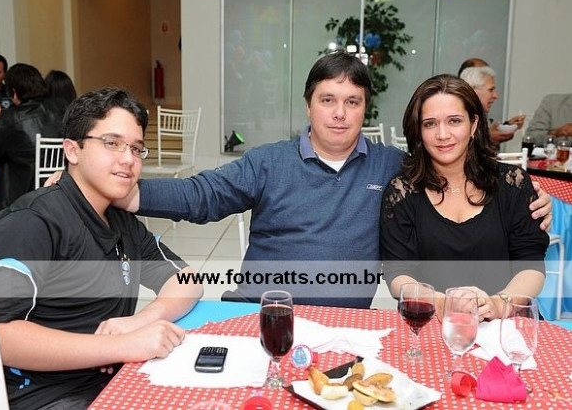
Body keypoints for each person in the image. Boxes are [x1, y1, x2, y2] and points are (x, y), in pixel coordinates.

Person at [109, 52, 552, 309]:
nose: (340, 113)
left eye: (352, 102)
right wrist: (124, 191)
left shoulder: (395, 168)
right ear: (308, 106)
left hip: (347, 328)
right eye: (328, 100)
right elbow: (200, 195)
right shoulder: (268, 162)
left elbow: (457, 174)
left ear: (365, 109)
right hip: (260, 312)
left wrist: (535, 199)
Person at [0, 87, 203, 409]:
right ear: (72, 150)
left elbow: (188, 281)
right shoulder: (33, 221)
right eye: (112, 143)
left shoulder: (121, 221)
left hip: (112, 380)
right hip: (44, 396)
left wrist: (140, 321)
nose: (128, 159)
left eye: (136, 148)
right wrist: (122, 346)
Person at [380, 74, 549, 321]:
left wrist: (496, 305)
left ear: (473, 124)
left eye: (454, 121)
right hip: (432, 325)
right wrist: (442, 304)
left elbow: (531, 266)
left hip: (508, 326)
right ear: (418, 131)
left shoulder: (512, 183)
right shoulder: (402, 192)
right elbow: (398, 275)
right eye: (430, 124)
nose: (442, 134)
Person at [0, 63, 68, 218]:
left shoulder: (9, 120)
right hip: (60, 189)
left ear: (14, 92)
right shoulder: (62, 107)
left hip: (20, 198)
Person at [460, 65, 525, 147]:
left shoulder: (479, 114)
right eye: (491, 90)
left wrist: (508, 125)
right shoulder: (460, 115)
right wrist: (489, 138)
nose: (495, 95)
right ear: (473, 90)